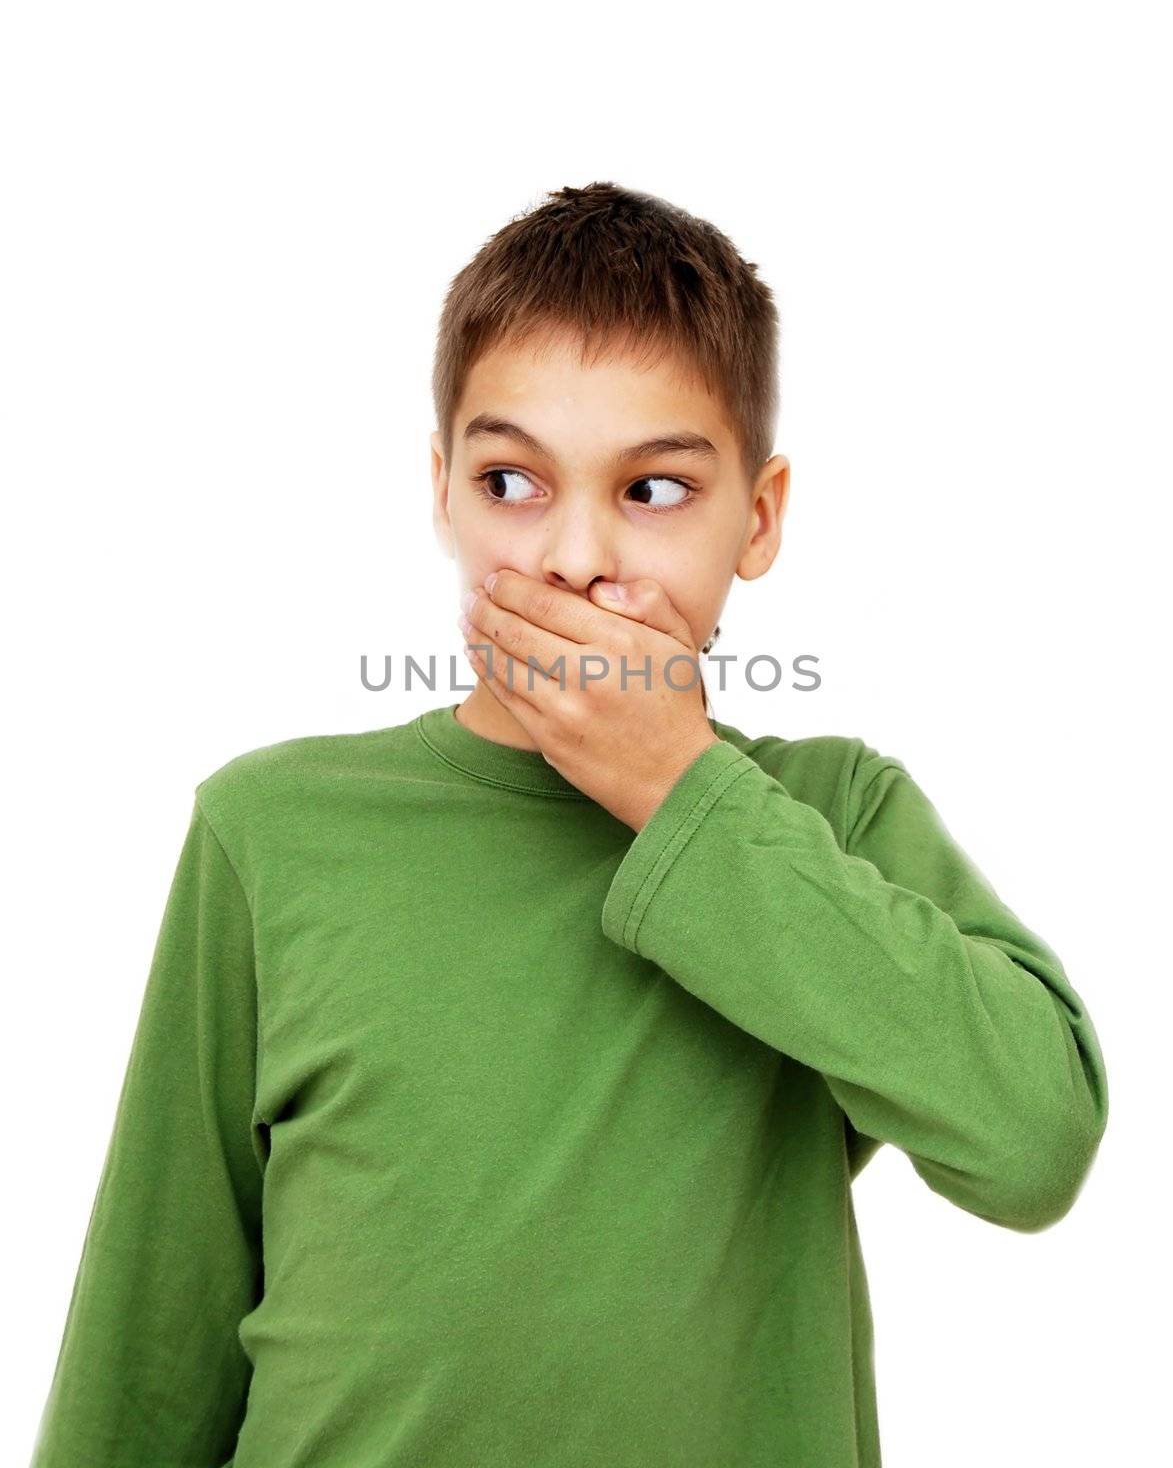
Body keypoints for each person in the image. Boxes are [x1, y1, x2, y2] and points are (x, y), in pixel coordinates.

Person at [30, 181, 1109, 1467]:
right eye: (511, 481)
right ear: (443, 493)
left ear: (756, 518)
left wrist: (677, 786)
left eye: (653, 490)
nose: (575, 555)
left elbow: (1034, 1141)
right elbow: (152, 1330)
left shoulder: (830, 816)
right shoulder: (269, 827)